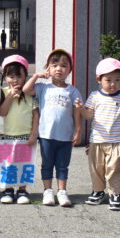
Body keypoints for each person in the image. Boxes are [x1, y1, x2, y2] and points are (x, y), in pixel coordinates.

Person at [22, 48, 82, 207]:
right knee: (47, 164)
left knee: (63, 165)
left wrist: (77, 130)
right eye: (54, 65)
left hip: (65, 136)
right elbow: (26, 90)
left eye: (63, 65)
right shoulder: (43, 88)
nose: (59, 69)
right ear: (47, 68)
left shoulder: (72, 90)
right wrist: (36, 76)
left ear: (69, 70)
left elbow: (77, 112)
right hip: (46, 135)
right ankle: (47, 191)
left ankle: (62, 191)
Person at [77, 58, 120, 211]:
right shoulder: (95, 96)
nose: (113, 84)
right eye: (108, 80)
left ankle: (115, 194)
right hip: (97, 140)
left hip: (116, 141)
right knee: (97, 168)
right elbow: (89, 116)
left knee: (115, 168)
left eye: (117, 80)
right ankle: (98, 191)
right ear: (99, 79)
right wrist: (81, 109)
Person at [0, 55, 39, 204]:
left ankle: (22, 190)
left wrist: (34, 134)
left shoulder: (30, 93)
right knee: (8, 164)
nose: (15, 80)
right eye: (11, 76)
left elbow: (35, 115)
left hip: (26, 136)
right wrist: (10, 97)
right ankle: (8, 189)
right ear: (5, 76)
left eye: (19, 76)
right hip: (9, 135)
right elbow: (2, 112)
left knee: (24, 163)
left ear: (25, 76)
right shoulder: (3, 92)